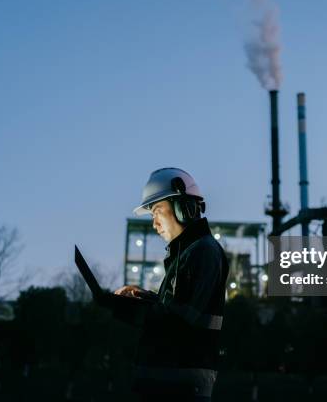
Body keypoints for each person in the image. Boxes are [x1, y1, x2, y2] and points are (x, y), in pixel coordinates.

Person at [94, 167, 229, 401]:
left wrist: (122, 307)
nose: (154, 224)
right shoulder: (188, 254)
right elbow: (175, 311)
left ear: (182, 208)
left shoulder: (202, 252)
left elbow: (177, 322)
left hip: (180, 386)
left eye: (157, 211)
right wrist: (145, 297)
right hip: (172, 383)